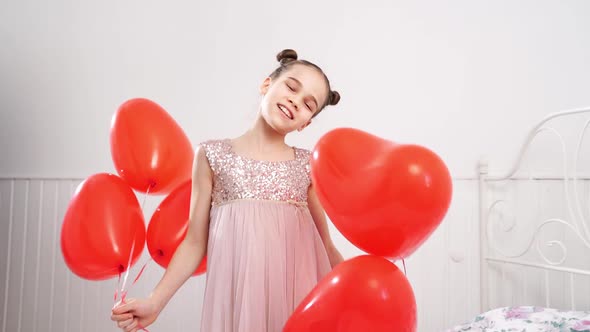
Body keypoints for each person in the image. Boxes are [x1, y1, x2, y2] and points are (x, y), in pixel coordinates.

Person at [111, 49, 344, 332]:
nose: (295, 101)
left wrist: (357, 297)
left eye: (308, 104)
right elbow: (195, 243)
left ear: (305, 124)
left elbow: (327, 248)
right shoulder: (212, 155)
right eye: (291, 87)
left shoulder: (307, 166)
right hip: (236, 302)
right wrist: (154, 302)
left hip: (294, 302)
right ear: (267, 85)